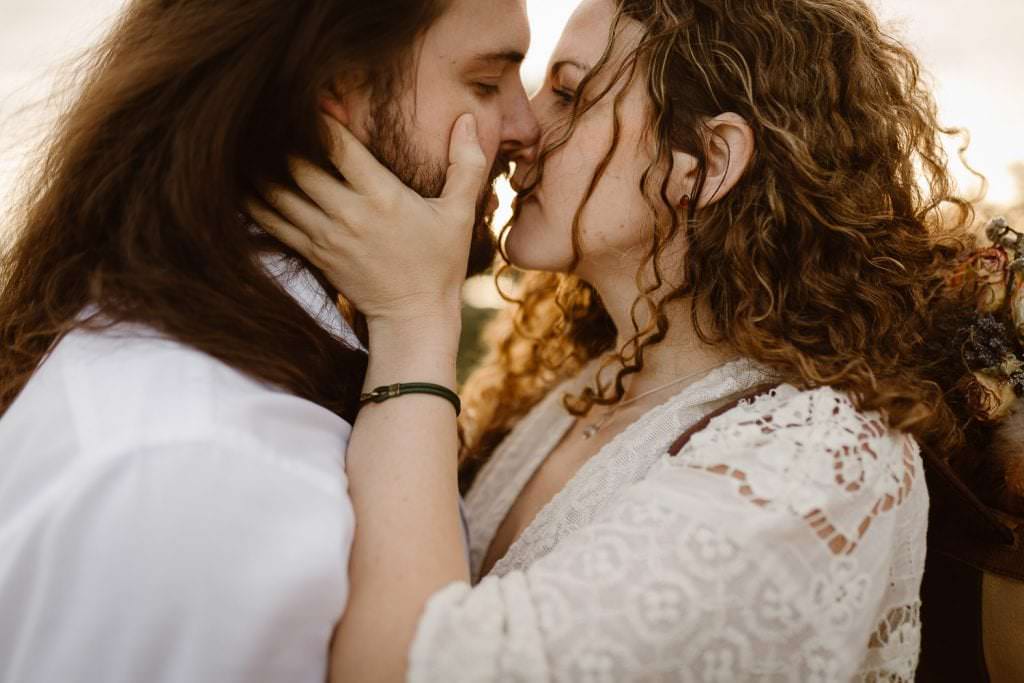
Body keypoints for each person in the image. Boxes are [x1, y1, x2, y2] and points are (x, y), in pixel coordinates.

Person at [254, 0, 980, 679]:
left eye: (568, 95)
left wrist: (414, 319)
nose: (525, 128)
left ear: (705, 162)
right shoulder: (578, 384)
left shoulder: (819, 458)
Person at [0, 1, 538, 681]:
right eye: (486, 84)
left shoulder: (246, 380)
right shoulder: (203, 465)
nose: (526, 127)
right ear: (333, 90)